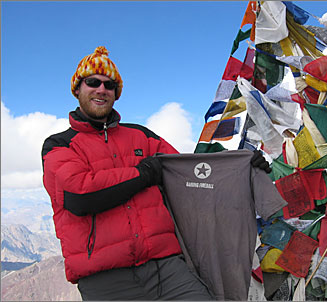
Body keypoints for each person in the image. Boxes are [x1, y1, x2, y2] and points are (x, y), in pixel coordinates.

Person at [41, 46, 271, 301]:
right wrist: (145, 174)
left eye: (109, 85)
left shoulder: (141, 135)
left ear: (116, 94)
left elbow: (188, 173)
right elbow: (80, 196)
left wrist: (240, 165)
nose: (101, 89)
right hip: (105, 281)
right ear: (77, 89)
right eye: (92, 82)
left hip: (166, 269)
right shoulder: (60, 144)